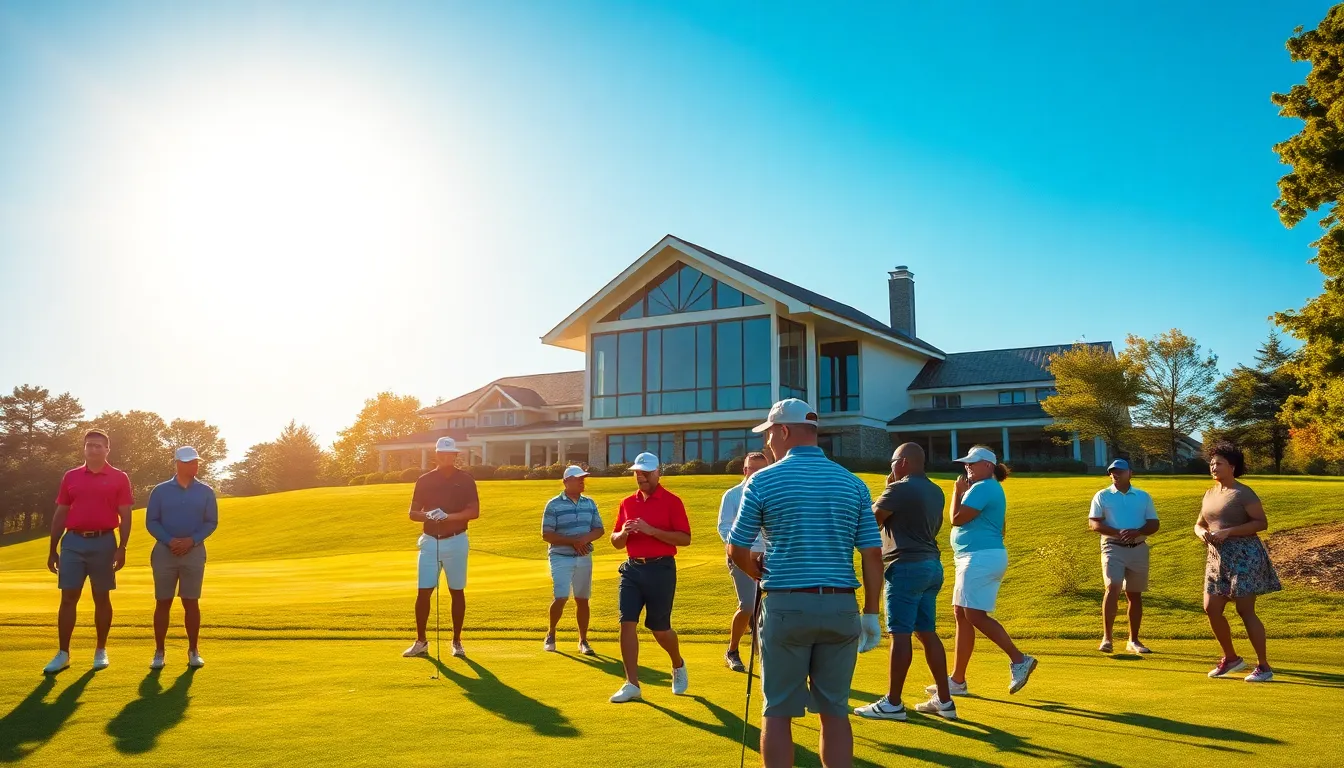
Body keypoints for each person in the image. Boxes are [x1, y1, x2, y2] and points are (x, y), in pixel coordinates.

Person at [729, 399, 884, 768]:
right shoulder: (854, 484)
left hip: (786, 607)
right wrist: (872, 613)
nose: (767, 443)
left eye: (768, 434)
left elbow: (737, 547)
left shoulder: (762, 481)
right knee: (835, 712)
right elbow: (872, 555)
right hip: (841, 607)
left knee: (778, 711)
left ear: (783, 431)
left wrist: (754, 570)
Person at [855, 442, 956, 722]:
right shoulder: (936, 490)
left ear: (902, 463)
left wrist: (887, 487)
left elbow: (870, 523)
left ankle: (893, 703)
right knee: (926, 632)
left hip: (906, 567)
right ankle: (945, 701)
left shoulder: (898, 488)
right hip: (932, 566)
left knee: (900, 634)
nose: (891, 468)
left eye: (892, 463)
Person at [931, 445, 1037, 698]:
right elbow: (1001, 528)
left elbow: (956, 518)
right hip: (975, 557)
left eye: (972, 463)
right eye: (966, 463)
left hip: (979, 558)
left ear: (988, 466)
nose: (967, 467)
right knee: (962, 614)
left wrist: (957, 493)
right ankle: (957, 680)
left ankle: (1019, 659)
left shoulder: (983, 487)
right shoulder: (986, 488)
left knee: (974, 615)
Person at [43, 429, 134, 674]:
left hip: (105, 542)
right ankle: (63, 654)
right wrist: (53, 549)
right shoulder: (71, 476)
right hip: (73, 542)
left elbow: (125, 515)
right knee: (68, 596)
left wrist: (122, 547)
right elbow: (61, 513)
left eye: (98, 446)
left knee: (102, 597)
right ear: (84, 448)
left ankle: (100, 649)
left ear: (107, 449)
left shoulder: (119, 477)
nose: (93, 449)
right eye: (89, 445)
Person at [608, 452, 691, 703]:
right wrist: (623, 533)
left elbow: (684, 539)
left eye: (645, 472)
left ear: (658, 473)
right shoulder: (627, 503)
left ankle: (677, 664)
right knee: (626, 623)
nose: (640, 476)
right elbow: (615, 542)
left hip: (661, 569)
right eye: (637, 472)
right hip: (632, 570)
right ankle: (632, 683)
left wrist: (650, 530)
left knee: (660, 630)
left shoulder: (672, 501)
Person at [1196, 441, 1280, 683]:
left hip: (1244, 556)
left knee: (1245, 610)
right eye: (1211, 463)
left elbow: (1261, 523)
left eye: (1219, 463)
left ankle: (1263, 666)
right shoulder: (1210, 493)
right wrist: (1201, 533)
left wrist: (1228, 532)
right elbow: (1200, 523)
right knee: (1211, 608)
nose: (1213, 467)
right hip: (1216, 558)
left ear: (1232, 467)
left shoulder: (1243, 492)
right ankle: (1231, 658)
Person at [402, 436, 479, 659]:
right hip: (429, 542)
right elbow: (412, 513)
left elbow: (473, 511)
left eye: (450, 454)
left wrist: (448, 517)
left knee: (457, 591)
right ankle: (421, 641)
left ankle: (457, 642)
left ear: (456, 456)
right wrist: (429, 514)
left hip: (457, 540)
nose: (446, 457)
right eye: (442, 454)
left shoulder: (466, 480)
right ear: (436, 455)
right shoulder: (424, 480)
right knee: (424, 592)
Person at [145, 446, 219, 669]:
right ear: (177, 463)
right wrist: (170, 540)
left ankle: (193, 650)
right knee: (163, 602)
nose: (194, 465)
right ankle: (159, 652)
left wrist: (192, 540)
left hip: (194, 552)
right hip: (164, 552)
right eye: (188, 462)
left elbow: (211, 522)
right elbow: (152, 521)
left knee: (191, 602)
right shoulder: (160, 491)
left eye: (196, 462)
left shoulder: (206, 491)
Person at [1088, 458, 1159, 655]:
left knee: (1134, 594)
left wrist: (1137, 532)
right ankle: (1107, 638)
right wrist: (1118, 532)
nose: (1115, 474)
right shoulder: (1102, 495)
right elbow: (1094, 524)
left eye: (1119, 471)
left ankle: (1133, 640)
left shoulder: (1143, 496)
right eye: (1112, 471)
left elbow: (1154, 524)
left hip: (1138, 547)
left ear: (1130, 473)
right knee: (1113, 585)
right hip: (1112, 546)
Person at [542, 465, 604, 656]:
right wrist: (573, 542)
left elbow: (599, 529)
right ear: (566, 482)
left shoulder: (590, 503)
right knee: (561, 597)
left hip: (584, 556)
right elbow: (547, 534)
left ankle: (583, 640)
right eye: (578, 479)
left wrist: (583, 541)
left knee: (582, 599)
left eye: (583, 479)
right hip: (560, 556)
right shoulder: (553, 504)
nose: (582, 481)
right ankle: (551, 632)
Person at [717, 450, 770, 672]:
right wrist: (743, 547)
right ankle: (732, 651)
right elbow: (724, 528)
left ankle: (766, 653)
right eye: (752, 469)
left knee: (768, 609)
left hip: (769, 557)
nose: (756, 473)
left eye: (761, 469)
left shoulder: (772, 493)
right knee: (748, 605)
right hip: (741, 557)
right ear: (745, 470)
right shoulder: (733, 495)